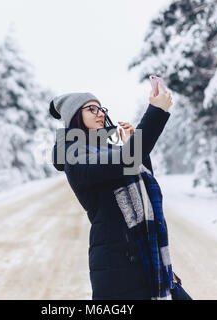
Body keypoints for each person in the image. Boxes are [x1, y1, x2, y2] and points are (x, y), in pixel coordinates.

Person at [50, 83, 179, 300]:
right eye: (91, 109)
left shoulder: (108, 151)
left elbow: (144, 183)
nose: (100, 114)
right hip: (118, 264)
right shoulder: (74, 156)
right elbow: (127, 158)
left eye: (101, 109)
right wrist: (156, 111)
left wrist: (134, 145)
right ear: (74, 116)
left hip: (144, 255)